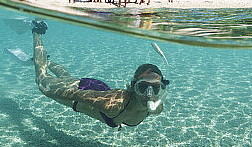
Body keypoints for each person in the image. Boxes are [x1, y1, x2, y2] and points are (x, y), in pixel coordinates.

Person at [30, 20, 167, 128]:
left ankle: (45, 60)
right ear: (133, 86)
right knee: (41, 80)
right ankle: (37, 32)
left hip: (99, 88)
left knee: (67, 78)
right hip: (83, 93)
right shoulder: (112, 105)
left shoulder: (157, 106)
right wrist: (45, 89)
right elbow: (74, 94)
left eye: (155, 88)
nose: (149, 94)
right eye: (142, 87)